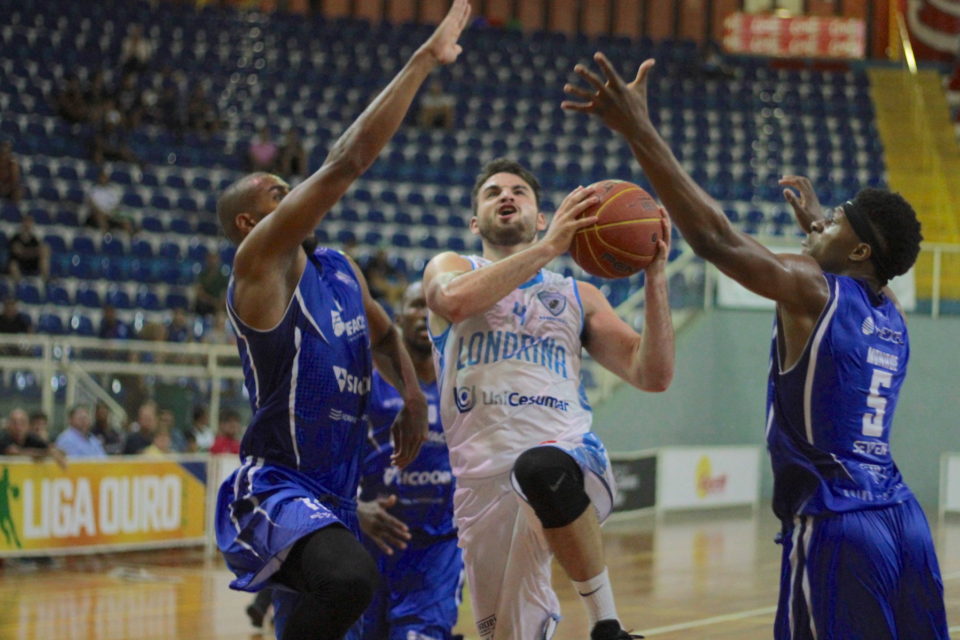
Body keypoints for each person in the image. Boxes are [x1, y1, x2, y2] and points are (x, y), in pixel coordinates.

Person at [564, 53, 949, 639]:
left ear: (862, 253)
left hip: (837, 524)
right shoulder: (893, 317)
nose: (819, 225)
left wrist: (638, 128)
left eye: (835, 220)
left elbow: (715, 239)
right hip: (904, 520)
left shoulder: (814, 290)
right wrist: (830, 231)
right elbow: (870, 276)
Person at [212, 4, 469, 639]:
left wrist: (412, 394)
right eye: (278, 192)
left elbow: (384, 335)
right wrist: (421, 61)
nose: (292, 193)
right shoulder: (259, 263)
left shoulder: (341, 270)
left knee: (341, 602)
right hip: (275, 487)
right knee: (349, 579)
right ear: (252, 222)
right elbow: (347, 161)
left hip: (335, 500)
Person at [422, 157, 675, 640]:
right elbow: (452, 302)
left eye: (519, 190)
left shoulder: (578, 294)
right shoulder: (452, 268)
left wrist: (656, 277)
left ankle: (607, 624)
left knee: (538, 468)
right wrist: (551, 247)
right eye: (492, 192)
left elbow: (653, 374)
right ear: (475, 221)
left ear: (542, 217)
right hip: (481, 483)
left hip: (566, 456)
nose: (506, 196)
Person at [356, 282, 463, 640]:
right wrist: (355, 508)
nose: (425, 315)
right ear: (398, 319)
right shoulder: (366, 382)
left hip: (436, 550)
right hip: (368, 544)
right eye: (417, 306)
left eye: (433, 308)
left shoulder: (466, 384)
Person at [0, 408, 67, 469]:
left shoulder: (31, 437)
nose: (18, 427)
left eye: (22, 423)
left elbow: (53, 449)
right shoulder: (3, 437)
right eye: (14, 423)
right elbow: (14, 452)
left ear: (28, 425)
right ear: (8, 424)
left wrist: (54, 452)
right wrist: (44, 454)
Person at [8, 215, 49, 280]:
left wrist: (24, 251)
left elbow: (42, 250)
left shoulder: (34, 239)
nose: (27, 225)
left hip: (31, 263)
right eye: (26, 222)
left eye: (30, 222)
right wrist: (34, 251)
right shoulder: (15, 237)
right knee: (13, 265)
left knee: (44, 258)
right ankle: (19, 285)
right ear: (22, 223)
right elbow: (17, 251)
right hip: (19, 263)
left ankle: (45, 282)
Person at [0, 140, 23, 205]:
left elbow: (15, 181)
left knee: (18, 191)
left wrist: (6, 188)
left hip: (8, 189)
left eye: (6, 153)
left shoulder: (13, 164)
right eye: (3, 153)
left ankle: (15, 210)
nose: (5, 155)